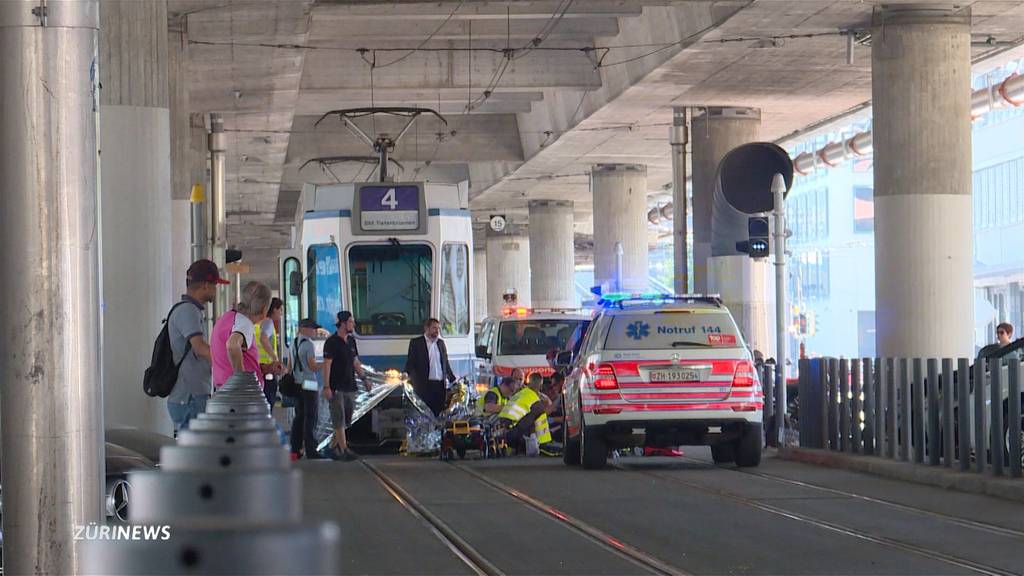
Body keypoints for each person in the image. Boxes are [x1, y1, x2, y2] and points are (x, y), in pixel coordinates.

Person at [166, 259, 226, 433]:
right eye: (215, 285)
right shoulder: (188, 311)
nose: (216, 290)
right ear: (206, 285)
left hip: (190, 397)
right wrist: (226, 365)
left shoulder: (190, 310)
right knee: (196, 456)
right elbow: (199, 348)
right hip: (189, 398)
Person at [322, 311, 368, 461]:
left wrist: (364, 378)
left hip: (350, 385)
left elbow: (355, 362)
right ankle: (344, 449)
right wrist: (327, 386)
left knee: (347, 419)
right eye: (350, 322)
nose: (353, 324)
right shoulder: (331, 342)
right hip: (336, 386)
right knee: (339, 418)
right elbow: (327, 365)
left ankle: (332, 447)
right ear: (342, 323)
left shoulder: (351, 341)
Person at [211, 281, 272, 388]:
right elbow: (232, 344)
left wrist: (262, 368)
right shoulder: (245, 323)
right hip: (240, 396)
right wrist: (241, 381)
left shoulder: (227, 317)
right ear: (264, 309)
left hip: (224, 390)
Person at [404, 318, 457, 416]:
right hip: (425, 386)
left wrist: (453, 379)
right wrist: (405, 373)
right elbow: (410, 362)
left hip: (440, 386)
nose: (437, 331)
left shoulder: (441, 343)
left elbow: (445, 363)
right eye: (434, 328)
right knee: (425, 414)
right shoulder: (416, 343)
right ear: (426, 328)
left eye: (438, 328)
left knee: (439, 413)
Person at [499, 372, 560, 456]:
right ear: (541, 386)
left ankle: (517, 447)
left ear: (528, 383)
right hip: (512, 434)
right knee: (540, 415)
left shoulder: (521, 393)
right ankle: (544, 445)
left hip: (501, 431)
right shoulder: (535, 402)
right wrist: (559, 400)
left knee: (533, 416)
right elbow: (545, 413)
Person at [291, 318, 324, 460]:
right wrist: (326, 364)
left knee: (299, 417)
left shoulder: (294, 342)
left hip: (298, 383)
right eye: (312, 328)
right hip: (309, 383)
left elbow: (289, 366)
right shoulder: (309, 345)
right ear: (304, 328)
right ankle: (311, 450)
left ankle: (295, 449)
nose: (314, 331)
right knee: (311, 417)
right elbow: (312, 366)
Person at [255, 297, 285, 408]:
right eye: (280, 310)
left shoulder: (258, 323)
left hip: (258, 366)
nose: (281, 313)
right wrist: (275, 358)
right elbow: (263, 339)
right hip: (268, 368)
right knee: (268, 401)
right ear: (274, 310)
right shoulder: (268, 323)